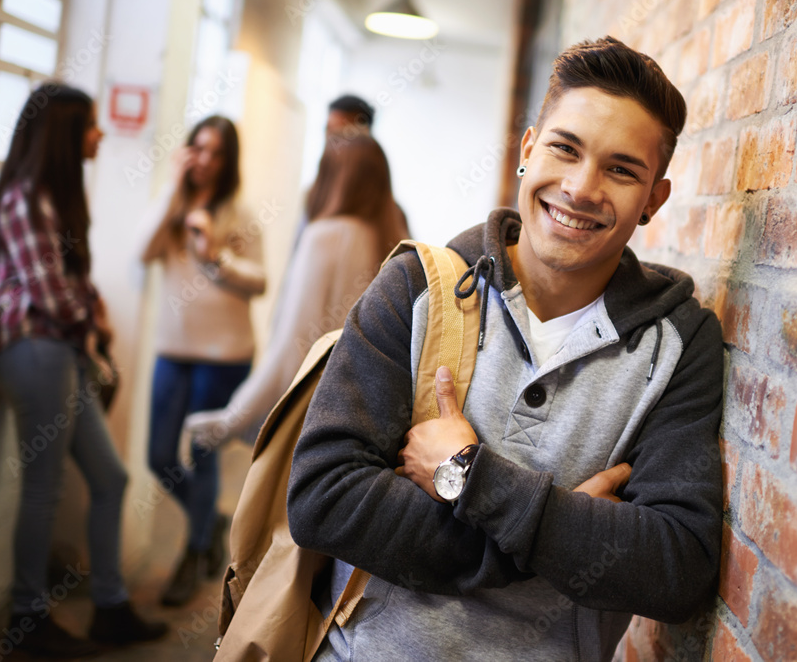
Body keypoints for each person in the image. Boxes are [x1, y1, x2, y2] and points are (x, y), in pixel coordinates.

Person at [287, 37, 725, 660]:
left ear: (654, 198)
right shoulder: (418, 288)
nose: (579, 187)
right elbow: (322, 499)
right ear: (527, 150)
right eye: (564, 149)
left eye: (621, 169)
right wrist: (549, 533)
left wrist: (468, 476)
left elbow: (677, 566)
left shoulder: (679, 344)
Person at [0, 83, 167, 657]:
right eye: (90, 124)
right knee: (44, 490)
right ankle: (26, 618)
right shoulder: (26, 197)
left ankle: (109, 607)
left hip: (59, 352)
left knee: (111, 479)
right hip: (35, 349)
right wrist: (92, 310)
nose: (100, 133)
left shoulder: (51, 197)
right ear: (65, 133)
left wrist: (86, 308)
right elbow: (52, 296)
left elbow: (66, 287)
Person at [182, 134, 410, 451]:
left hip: (319, 413)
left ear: (331, 177)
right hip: (375, 416)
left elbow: (294, 348)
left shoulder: (325, 237)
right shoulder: (400, 243)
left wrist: (231, 419)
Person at [136, 115, 266, 607]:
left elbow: (260, 281)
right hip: (174, 351)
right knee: (159, 456)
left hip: (225, 356)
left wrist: (215, 256)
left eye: (216, 153)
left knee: (203, 454)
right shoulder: (172, 209)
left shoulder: (240, 213)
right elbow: (142, 250)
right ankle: (207, 518)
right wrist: (173, 188)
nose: (206, 161)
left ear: (228, 162)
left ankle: (191, 555)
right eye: (199, 150)